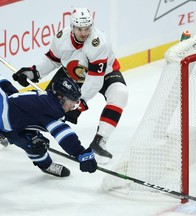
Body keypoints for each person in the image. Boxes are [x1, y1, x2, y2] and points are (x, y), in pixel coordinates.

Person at [12, 8, 128, 161]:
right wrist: (35, 73)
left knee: (120, 93)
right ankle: (12, 128)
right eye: (79, 29)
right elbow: (53, 59)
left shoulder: (99, 43)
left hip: (105, 74)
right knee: (47, 110)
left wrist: (81, 102)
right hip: (71, 75)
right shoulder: (61, 37)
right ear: (72, 27)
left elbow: (95, 80)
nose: (83, 33)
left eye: (87, 29)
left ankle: (99, 142)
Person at [0, 72, 97, 177]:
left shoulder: (48, 99)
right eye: (71, 103)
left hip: (14, 122)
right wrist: (81, 153)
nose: (73, 107)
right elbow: (64, 134)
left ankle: (46, 166)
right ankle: (0, 136)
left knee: (36, 144)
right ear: (60, 98)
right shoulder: (51, 108)